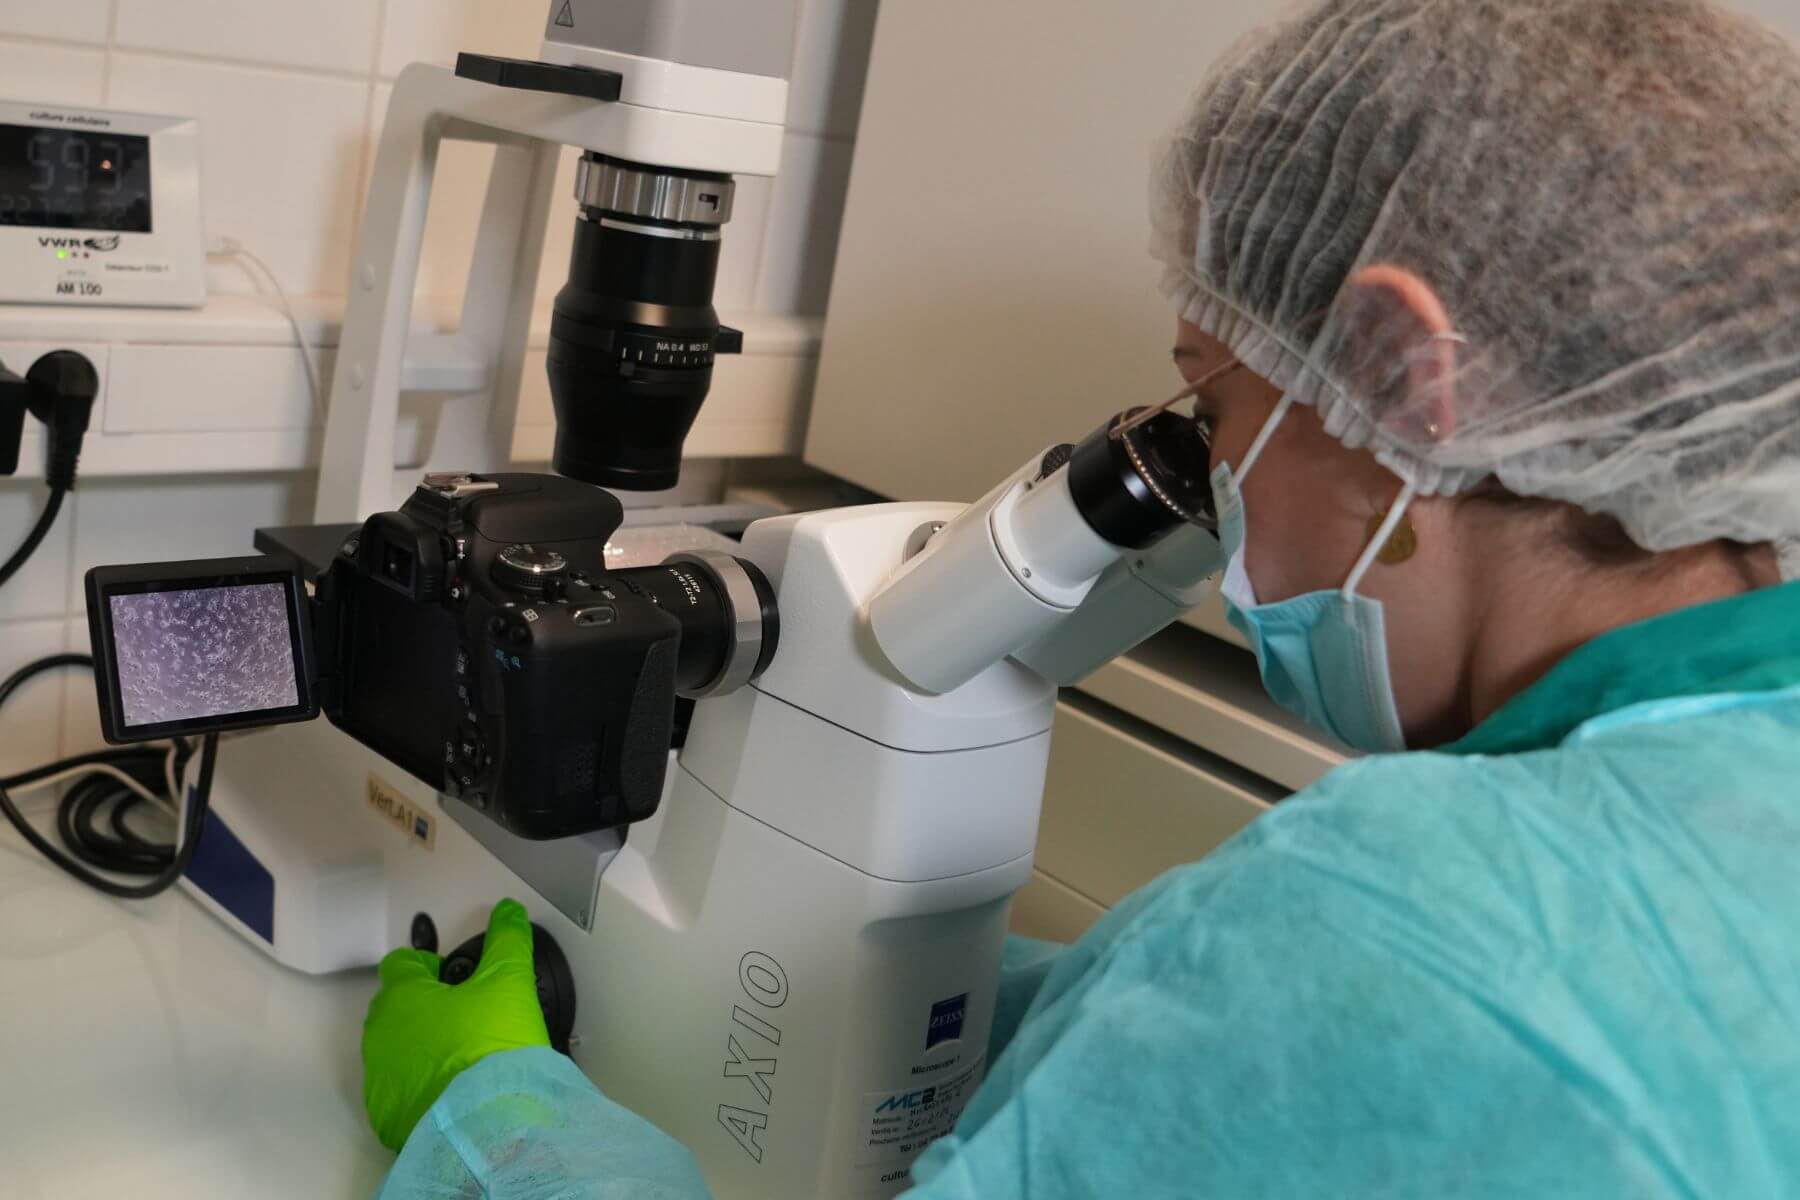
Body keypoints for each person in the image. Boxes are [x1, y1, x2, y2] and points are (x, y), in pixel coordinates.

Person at [362, 0, 1800, 1194]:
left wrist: (495, 1122)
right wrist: (1104, 1009)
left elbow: (1380, 1010)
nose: (1205, 488)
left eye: (1209, 409)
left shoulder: (1405, 928)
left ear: (1400, 376)